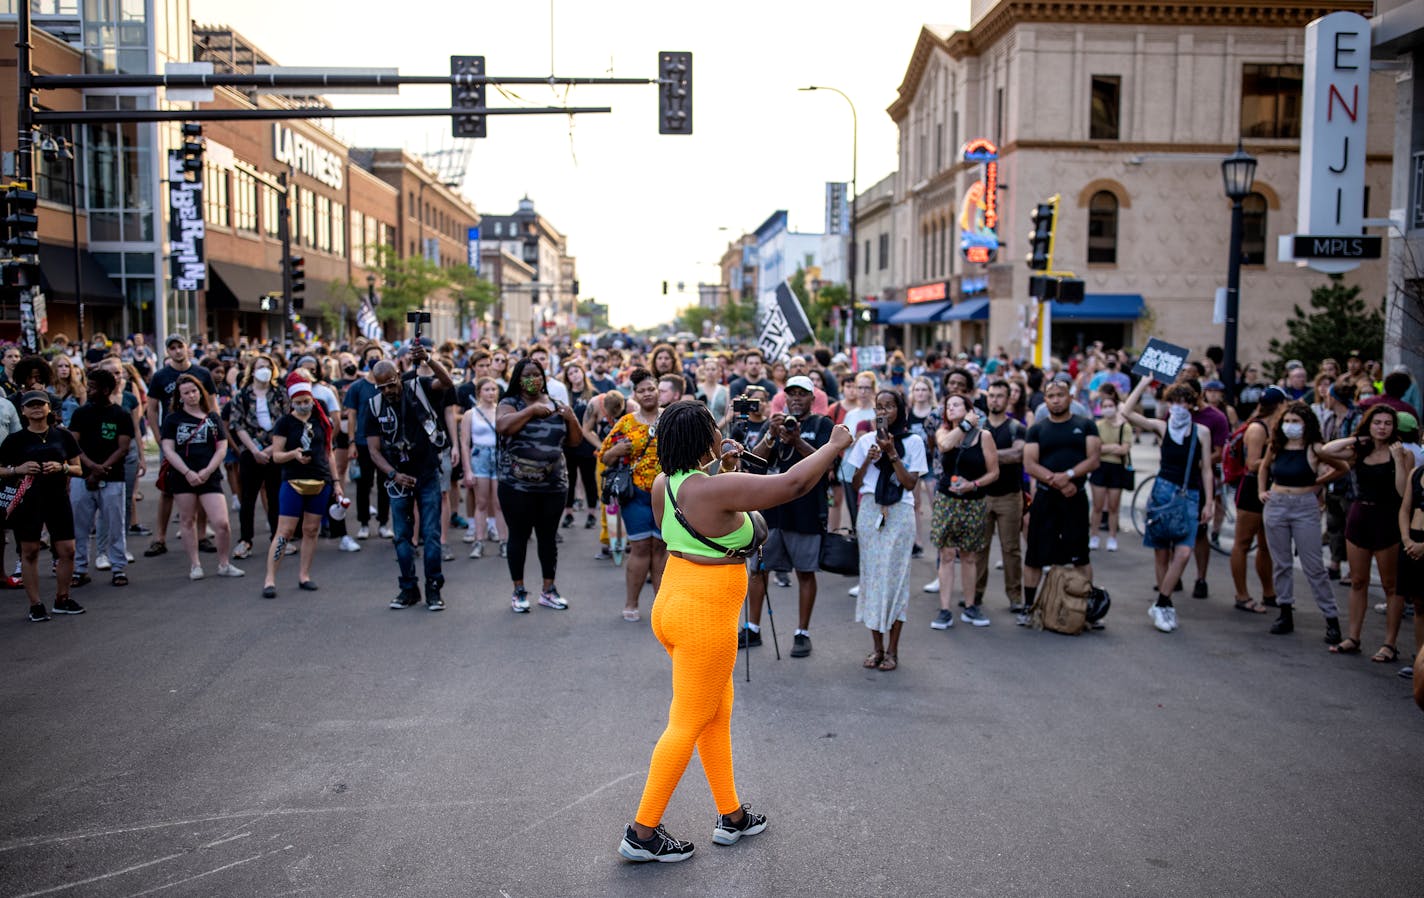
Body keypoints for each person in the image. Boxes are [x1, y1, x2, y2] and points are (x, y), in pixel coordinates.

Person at [617, 399, 852, 863]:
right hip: (704, 617)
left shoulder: (667, 482)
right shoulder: (716, 488)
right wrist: (834, 445)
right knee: (686, 723)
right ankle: (642, 832)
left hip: (674, 606)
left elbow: (684, 526)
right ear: (705, 436)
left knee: (714, 713)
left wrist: (721, 467)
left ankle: (732, 815)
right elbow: (794, 482)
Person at [739, 375, 834, 657]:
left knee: (805, 572)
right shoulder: (776, 423)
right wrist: (771, 435)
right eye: (791, 393)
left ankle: (802, 633)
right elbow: (755, 464)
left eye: (801, 394)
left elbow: (826, 462)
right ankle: (752, 628)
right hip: (772, 511)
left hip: (806, 511)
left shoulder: (822, 425)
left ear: (812, 397)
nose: (795, 398)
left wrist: (797, 441)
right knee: (758, 570)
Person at [1118, 379, 1215, 632]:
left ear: (1193, 405)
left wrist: (1210, 501)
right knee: (1161, 552)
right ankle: (1166, 603)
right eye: (1174, 402)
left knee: (1183, 552)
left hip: (1189, 494)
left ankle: (1160, 602)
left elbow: (1206, 470)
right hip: (1162, 491)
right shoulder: (1162, 427)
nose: (1179, 407)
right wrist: (1144, 382)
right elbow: (1126, 412)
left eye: (1184, 402)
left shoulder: (1201, 432)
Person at [364, 346, 455, 612]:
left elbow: (448, 383)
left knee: (431, 534)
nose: (388, 391)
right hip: (398, 478)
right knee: (402, 537)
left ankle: (434, 589)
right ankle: (408, 589)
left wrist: (428, 359)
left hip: (427, 473)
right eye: (381, 387)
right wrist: (393, 474)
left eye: (391, 385)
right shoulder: (374, 405)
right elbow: (373, 450)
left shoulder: (419, 386)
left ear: (398, 375)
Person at [1322, 405, 1413, 658]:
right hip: (1360, 515)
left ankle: (1390, 644)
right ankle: (1353, 637)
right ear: (1368, 425)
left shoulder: (1403, 453)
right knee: (1358, 581)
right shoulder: (1359, 450)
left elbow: (1403, 492)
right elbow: (1327, 450)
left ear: (1394, 427)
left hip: (1388, 518)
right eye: (1377, 422)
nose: (1382, 427)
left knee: (1391, 585)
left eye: (1387, 423)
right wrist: (1357, 437)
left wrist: (1397, 461)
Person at [847, 389, 929, 670]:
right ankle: (877, 648)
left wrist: (892, 454)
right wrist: (870, 458)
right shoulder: (866, 441)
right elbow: (854, 484)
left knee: (895, 581)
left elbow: (909, 483)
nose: (883, 412)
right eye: (879, 407)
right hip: (870, 510)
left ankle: (893, 650)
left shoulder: (914, 441)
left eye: (890, 406)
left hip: (900, 513)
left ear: (900, 410)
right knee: (872, 579)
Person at [496, 357, 580, 613]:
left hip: (553, 486)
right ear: (517, 380)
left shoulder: (557, 405)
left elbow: (574, 442)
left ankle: (548, 590)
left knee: (547, 539)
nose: (534, 380)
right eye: (527, 375)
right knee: (519, 537)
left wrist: (572, 418)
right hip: (516, 486)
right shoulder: (509, 404)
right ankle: (519, 590)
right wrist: (530, 411)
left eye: (538, 375)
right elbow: (503, 427)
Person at [1257, 402, 1348, 641]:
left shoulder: (1315, 447)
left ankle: (1331, 618)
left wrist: (1318, 483)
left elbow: (1342, 467)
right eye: (1287, 421)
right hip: (1276, 504)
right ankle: (1285, 612)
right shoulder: (1276, 445)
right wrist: (1261, 491)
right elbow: (1263, 468)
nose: (1290, 426)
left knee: (1314, 566)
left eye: (1296, 422)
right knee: (1281, 563)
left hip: (1304, 506)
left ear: (1306, 424)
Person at [1021, 378, 1102, 624]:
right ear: (1045, 400)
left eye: (1060, 395)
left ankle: (1086, 609)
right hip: (1046, 498)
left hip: (1074, 497)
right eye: (1051, 395)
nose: (1056, 399)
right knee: (1034, 555)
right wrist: (1055, 481)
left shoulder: (1086, 425)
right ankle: (1028, 608)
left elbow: (1094, 459)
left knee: (1080, 556)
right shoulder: (1037, 429)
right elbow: (1030, 463)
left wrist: (1069, 477)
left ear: (1070, 398)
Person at [3, 391, 85, 621]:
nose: (37, 408)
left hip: (58, 498)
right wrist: (17, 470)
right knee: (30, 551)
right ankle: (35, 604)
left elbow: (78, 468)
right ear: (23, 411)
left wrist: (62, 468)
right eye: (31, 405)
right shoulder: (15, 440)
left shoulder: (63, 436)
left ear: (49, 408)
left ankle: (62, 598)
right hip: (28, 502)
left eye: (41, 404)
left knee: (67, 549)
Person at [261, 374, 341, 598]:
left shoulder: (321, 420)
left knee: (311, 529)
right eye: (298, 401)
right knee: (285, 532)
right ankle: (270, 578)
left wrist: (336, 483)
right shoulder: (285, 423)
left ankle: (304, 574)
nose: (303, 405)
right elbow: (276, 456)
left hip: (320, 479)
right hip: (293, 481)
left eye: (307, 400)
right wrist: (293, 454)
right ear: (291, 401)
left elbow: (329, 452)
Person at [159, 375, 242, 581]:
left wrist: (208, 470)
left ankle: (224, 563)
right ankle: (195, 564)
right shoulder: (173, 419)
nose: (191, 395)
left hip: (210, 474)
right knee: (188, 520)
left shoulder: (212, 417)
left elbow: (222, 446)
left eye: (194, 391)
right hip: (182, 475)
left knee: (221, 523)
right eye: (186, 393)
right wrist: (187, 472)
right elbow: (168, 449)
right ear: (179, 397)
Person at [929, 392, 1000, 629]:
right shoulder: (943, 431)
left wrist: (973, 484)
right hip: (947, 501)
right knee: (947, 555)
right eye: (948, 405)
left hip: (973, 501)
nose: (950, 409)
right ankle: (945, 610)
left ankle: (970, 607)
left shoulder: (984, 436)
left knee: (969, 556)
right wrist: (966, 424)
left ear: (968, 408)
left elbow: (994, 472)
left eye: (956, 405)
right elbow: (946, 445)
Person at [600, 368, 665, 621]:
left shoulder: (670, 418)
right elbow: (604, 457)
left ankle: (660, 609)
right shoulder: (626, 423)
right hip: (636, 494)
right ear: (634, 394)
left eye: (651, 389)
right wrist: (618, 450)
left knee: (661, 549)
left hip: (665, 496)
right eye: (642, 390)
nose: (647, 393)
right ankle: (631, 603)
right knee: (639, 548)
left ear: (658, 391)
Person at [144, 335, 218, 559]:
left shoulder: (202, 374)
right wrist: (158, 437)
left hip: (201, 437)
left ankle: (202, 535)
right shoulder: (160, 376)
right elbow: (152, 409)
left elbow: (213, 406)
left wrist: (215, 433)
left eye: (180, 347)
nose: (177, 351)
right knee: (167, 489)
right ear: (167, 351)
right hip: (173, 439)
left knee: (203, 486)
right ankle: (160, 538)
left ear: (187, 348)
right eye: (172, 348)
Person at [67, 368, 133, 589]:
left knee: (115, 524)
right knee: (80, 526)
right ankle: (79, 569)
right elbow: (73, 445)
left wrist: (103, 468)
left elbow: (123, 447)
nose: (89, 390)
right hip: (82, 478)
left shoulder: (121, 415)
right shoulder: (80, 414)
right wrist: (92, 467)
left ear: (106, 390)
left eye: (93, 387)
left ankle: (118, 567)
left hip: (113, 478)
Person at [1229, 386, 1286, 612]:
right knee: (1242, 543)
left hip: (1270, 488)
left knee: (1266, 545)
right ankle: (1242, 595)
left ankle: (1269, 592)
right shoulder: (1257, 428)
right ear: (1280, 405)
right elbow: (1251, 464)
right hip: (1252, 488)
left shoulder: (1274, 426)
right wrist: (1276, 457)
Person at [972, 379, 1027, 611]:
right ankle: (974, 594)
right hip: (981, 496)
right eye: (991, 395)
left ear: (1008, 399)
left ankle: (1015, 597)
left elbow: (1018, 454)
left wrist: (986, 454)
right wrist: (997, 456)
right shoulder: (977, 426)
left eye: (1000, 396)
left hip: (1010, 496)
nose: (994, 400)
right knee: (979, 548)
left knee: (1011, 549)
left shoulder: (1016, 427)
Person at [227, 354, 287, 561]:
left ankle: (278, 538)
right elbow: (237, 425)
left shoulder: (280, 393)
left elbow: (286, 422)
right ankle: (245, 540)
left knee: (275, 497)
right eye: (261, 367)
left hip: (275, 450)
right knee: (248, 498)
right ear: (252, 371)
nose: (265, 370)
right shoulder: (242, 396)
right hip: (251, 452)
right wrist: (254, 450)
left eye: (268, 367)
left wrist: (271, 450)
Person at [345, 345, 391, 542]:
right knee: (364, 484)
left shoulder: (389, 384)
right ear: (364, 360)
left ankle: (383, 523)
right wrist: (352, 442)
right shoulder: (357, 387)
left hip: (386, 443)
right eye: (370, 357)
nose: (374, 359)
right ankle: (363, 523)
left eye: (377, 357)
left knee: (385, 483)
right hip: (363, 443)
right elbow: (352, 416)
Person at [459, 376, 505, 559]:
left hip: (498, 455)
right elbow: (464, 443)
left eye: (493, 389)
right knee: (481, 502)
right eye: (486, 389)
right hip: (479, 456)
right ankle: (479, 541)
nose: (491, 393)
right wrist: (467, 469)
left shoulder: (502, 411)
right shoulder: (471, 414)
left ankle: (503, 541)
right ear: (479, 392)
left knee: (500, 503)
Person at [1089, 385, 1131, 553]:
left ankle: (1112, 537)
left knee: (1114, 507)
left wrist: (1107, 448)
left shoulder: (1124, 427)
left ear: (1116, 406)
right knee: (1097, 506)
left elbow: (1124, 449)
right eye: (1104, 406)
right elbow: (1095, 448)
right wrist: (1113, 447)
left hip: (1117, 468)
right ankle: (1094, 535)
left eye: (1110, 406)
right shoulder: (1097, 425)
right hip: (1100, 467)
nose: (1107, 409)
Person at [559, 362, 599, 530]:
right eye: (570, 373)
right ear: (567, 378)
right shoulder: (565, 394)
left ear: (583, 372)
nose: (574, 375)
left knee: (589, 479)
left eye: (577, 371)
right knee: (570, 480)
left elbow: (598, 419)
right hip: (568, 444)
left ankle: (591, 514)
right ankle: (568, 513)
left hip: (587, 444)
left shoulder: (593, 394)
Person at [1396, 460, 1424, 682]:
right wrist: (1407, 540)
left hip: (1421, 547)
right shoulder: (1417, 473)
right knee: (1419, 605)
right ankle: (1420, 662)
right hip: (1412, 543)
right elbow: (1405, 509)